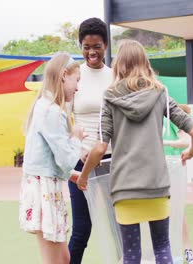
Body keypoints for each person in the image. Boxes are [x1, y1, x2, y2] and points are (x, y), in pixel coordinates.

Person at [76, 39, 193, 264]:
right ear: (144, 62)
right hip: (156, 184)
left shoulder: (110, 96)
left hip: (125, 187)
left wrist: (84, 176)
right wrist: (192, 151)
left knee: (131, 255)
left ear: (118, 65)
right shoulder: (160, 93)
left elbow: (100, 147)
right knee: (163, 248)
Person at [19, 52, 86, 264]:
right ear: (64, 75)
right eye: (77, 80)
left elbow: (52, 159)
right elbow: (65, 158)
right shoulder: (51, 111)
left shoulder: (47, 107)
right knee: (54, 260)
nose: (77, 87)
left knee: (64, 258)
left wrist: (74, 175)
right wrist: (75, 138)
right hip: (44, 189)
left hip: (46, 186)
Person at [67, 17, 113, 264]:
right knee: (82, 229)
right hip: (79, 162)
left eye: (97, 46)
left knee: (121, 224)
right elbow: (64, 120)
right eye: (86, 46)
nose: (91, 52)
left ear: (105, 45)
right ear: (80, 46)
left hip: (110, 158)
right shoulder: (74, 76)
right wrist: (77, 146)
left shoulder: (115, 76)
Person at [163, 104, 193, 264]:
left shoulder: (168, 115)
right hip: (151, 168)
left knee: (177, 209)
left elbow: (186, 141)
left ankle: (187, 250)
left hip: (173, 166)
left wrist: (163, 143)